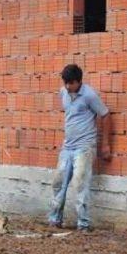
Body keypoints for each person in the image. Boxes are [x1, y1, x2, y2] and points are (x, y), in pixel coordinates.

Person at [48, 64, 111, 232]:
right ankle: (55, 219)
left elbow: (104, 115)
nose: (68, 87)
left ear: (79, 82)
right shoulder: (63, 93)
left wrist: (105, 144)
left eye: (71, 83)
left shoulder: (89, 95)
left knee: (80, 183)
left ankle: (83, 223)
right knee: (58, 182)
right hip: (67, 146)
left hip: (84, 147)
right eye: (65, 83)